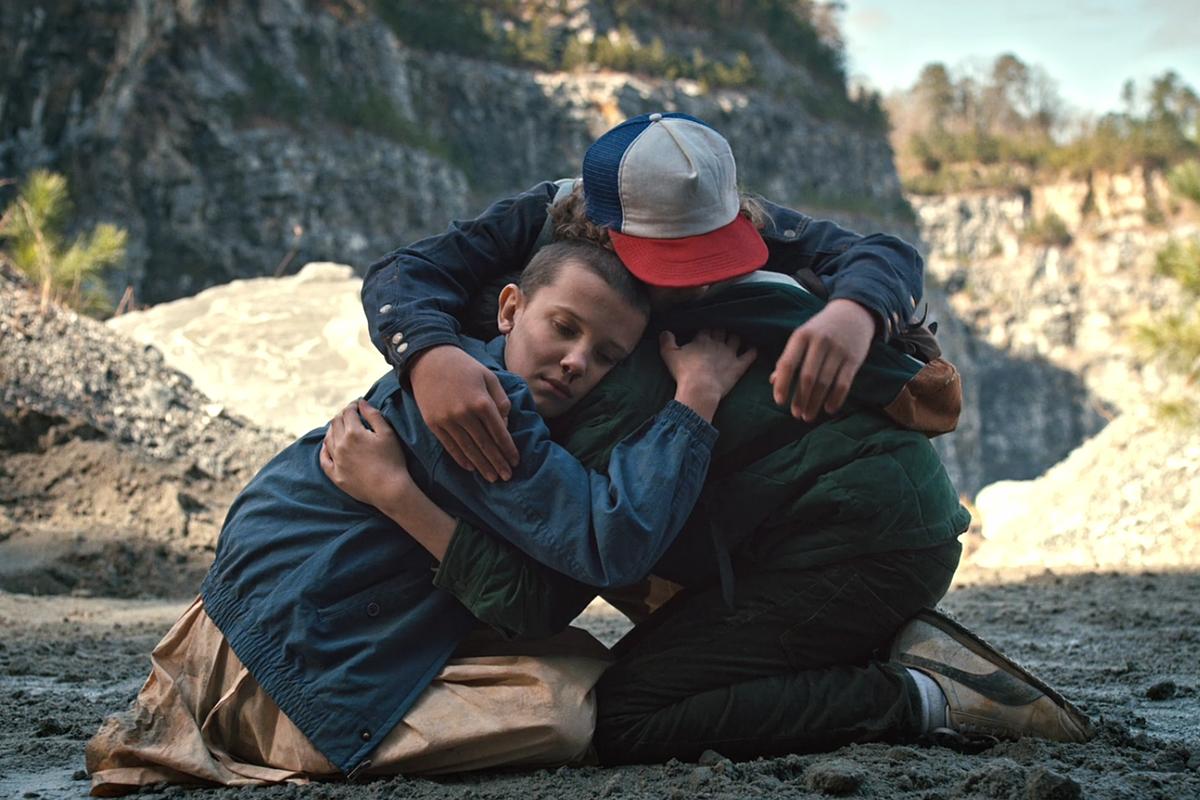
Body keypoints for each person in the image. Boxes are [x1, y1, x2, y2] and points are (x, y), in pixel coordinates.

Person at [355, 111, 1093, 763]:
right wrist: (429, 355)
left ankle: (929, 696)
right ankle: (852, 638)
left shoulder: (671, 320)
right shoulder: (543, 231)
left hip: (864, 538)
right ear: (602, 233)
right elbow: (406, 273)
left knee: (630, 717)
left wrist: (855, 313)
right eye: (671, 266)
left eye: (711, 255)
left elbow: (882, 255)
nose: (699, 284)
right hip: (817, 527)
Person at [85, 240, 758, 793]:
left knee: (575, 658)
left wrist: (401, 499)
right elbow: (610, 543)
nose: (578, 361)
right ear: (510, 309)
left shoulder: (491, 389)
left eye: (607, 356)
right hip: (271, 657)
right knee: (568, 710)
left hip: (266, 619)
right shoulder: (480, 406)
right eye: (564, 328)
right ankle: (287, 741)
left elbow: (540, 597)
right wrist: (695, 397)